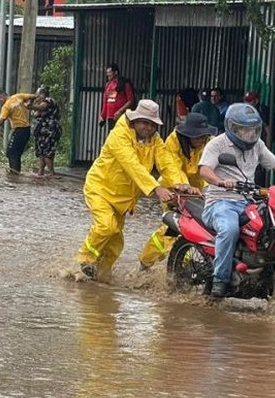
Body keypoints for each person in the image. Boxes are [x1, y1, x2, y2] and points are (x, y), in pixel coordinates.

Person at [198, 102, 275, 298]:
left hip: (248, 200)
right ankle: (220, 279)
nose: (250, 134)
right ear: (232, 128)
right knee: (230, 228)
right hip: (220, 201)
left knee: (270, 224)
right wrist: (221, 182)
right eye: (245, 130)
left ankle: (264, 272)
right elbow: (204, 170)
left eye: (253, 130)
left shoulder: (257, 145)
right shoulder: (216, 144)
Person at [77, 99, 193, 282]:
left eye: (153, 124)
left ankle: (100, 278)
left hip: (123, 199)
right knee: (105, 226)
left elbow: (167, 162)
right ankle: (85, 261)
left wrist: (181, 183)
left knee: (115, 243)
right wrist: (156, 188)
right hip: (100, 189)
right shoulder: (119, 135)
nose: (149, 128)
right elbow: (132, 165)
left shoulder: (155, 140)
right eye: (145, 123)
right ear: (135, 120)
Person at [138, 112, 217, 269]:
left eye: (203, 135)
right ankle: (146, 262)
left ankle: (185, 266)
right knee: (173, 230)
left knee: (200, 229)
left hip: (200, 191)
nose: (201, 139)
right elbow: (171, 167)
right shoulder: (173, 141)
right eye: (197, 136)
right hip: (173, 188)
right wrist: (183, 186)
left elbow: (213, 168)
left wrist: (209, 189)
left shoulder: (211, 143)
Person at [0, 90, 37, 174]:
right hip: (27, 130)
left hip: (19, 130)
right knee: (16, 153)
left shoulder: (6, 106)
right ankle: (16, 172)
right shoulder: (18, 96)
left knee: (11, 153)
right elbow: (33, 96)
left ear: (1, 97)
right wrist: (30, 104)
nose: (0, 103)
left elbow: (1, 121)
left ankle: (14, 174)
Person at [29, 85, 62, 178]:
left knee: (47, 152)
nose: (36, 97)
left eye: (38, 95)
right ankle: (41, 172)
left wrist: (31, 106)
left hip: (49, 131)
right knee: (42, 152)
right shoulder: (42, 102)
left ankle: (52, 173)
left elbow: (41, 108)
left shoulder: (48, 101)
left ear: (43, 94)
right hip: (42, 131)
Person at [99, 63, 135, 131]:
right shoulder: (109, 85)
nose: (108, 74)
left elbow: (130, 100)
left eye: (110, 72)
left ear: (115, 72)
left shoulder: (124, 83)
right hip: (111, 117)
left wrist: (120, 111)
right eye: (107, 72)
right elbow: (108, 101)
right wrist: (103, 115)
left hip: (122, 116)